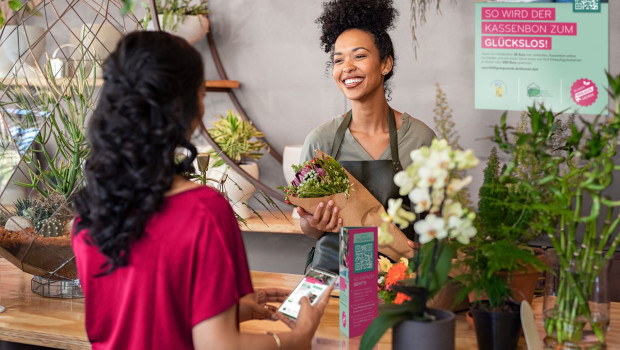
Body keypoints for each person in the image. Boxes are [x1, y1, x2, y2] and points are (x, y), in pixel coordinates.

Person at [72, 31, 330, 350]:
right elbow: (219, 347)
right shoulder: (203, 212)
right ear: (182, 107)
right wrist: (297, 338)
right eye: (201, 93)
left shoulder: (90, 214)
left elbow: (141, 315)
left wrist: (229, 310)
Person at [299, 0, 436, 273]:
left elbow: (436, 224)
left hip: (399, 283)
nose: (347, 67)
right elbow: (306, 226)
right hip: (333, 279)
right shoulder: (320, 142)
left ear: (385, 63)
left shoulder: (420, 139)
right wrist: (315, 224)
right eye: (338, 59)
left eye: (359, 56)